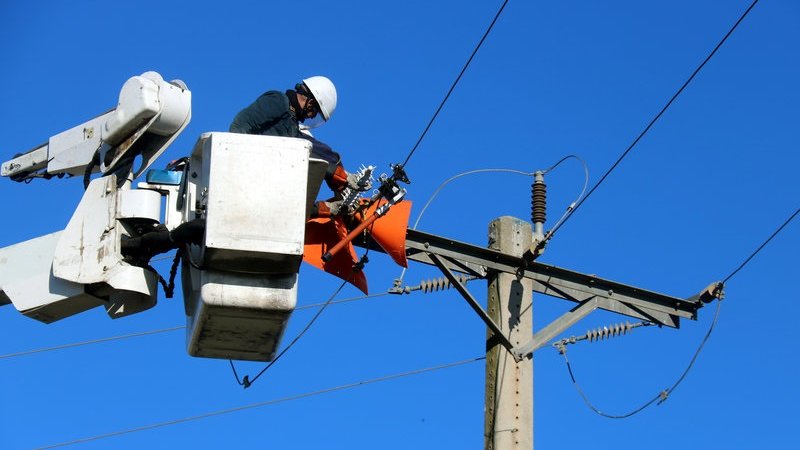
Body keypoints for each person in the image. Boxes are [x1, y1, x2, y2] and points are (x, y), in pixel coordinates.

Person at [122, 76, 369, 262]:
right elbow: (240, 125)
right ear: (308, 98)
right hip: (246, 173)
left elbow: (291, 205)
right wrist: (243, 161)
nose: (310, 116)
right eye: (313, 110)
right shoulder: (279, 102)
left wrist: (327, 208)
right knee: (310, 149)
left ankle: (138, 247)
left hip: (260, 190)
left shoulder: (293, 127)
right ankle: (343, 180)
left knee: (203, 229)